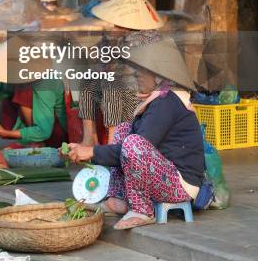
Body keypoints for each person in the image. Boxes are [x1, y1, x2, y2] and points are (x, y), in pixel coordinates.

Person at [65, 36, 204, 230]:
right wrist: (90, 151)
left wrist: (92, 152)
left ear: (158, 75)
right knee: (124, 130)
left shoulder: (167, 102)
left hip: (180, 185)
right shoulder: (158, 99)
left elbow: (137, 147)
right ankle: (118, 200)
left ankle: (142, 209)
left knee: (133, 144)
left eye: (142, 71)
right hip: (164, 174)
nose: (137, 75)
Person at [78, 0, 164, 145]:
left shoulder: (148, 38)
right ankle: (89, 138)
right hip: (119, 91)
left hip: (142, 95)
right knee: (88, 80)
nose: (109, 27)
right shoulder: (110, 37)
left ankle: (113, 140)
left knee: (112, 83)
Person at [0, 42, 67, 148]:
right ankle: (28, 141)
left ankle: (35, 143)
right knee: (11, 92)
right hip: (36, 130)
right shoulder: (20, 76)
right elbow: (0, 90)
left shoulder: (46, 81)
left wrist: (4, 133)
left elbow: (44, 131)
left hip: (57, 137)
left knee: (22, 92)